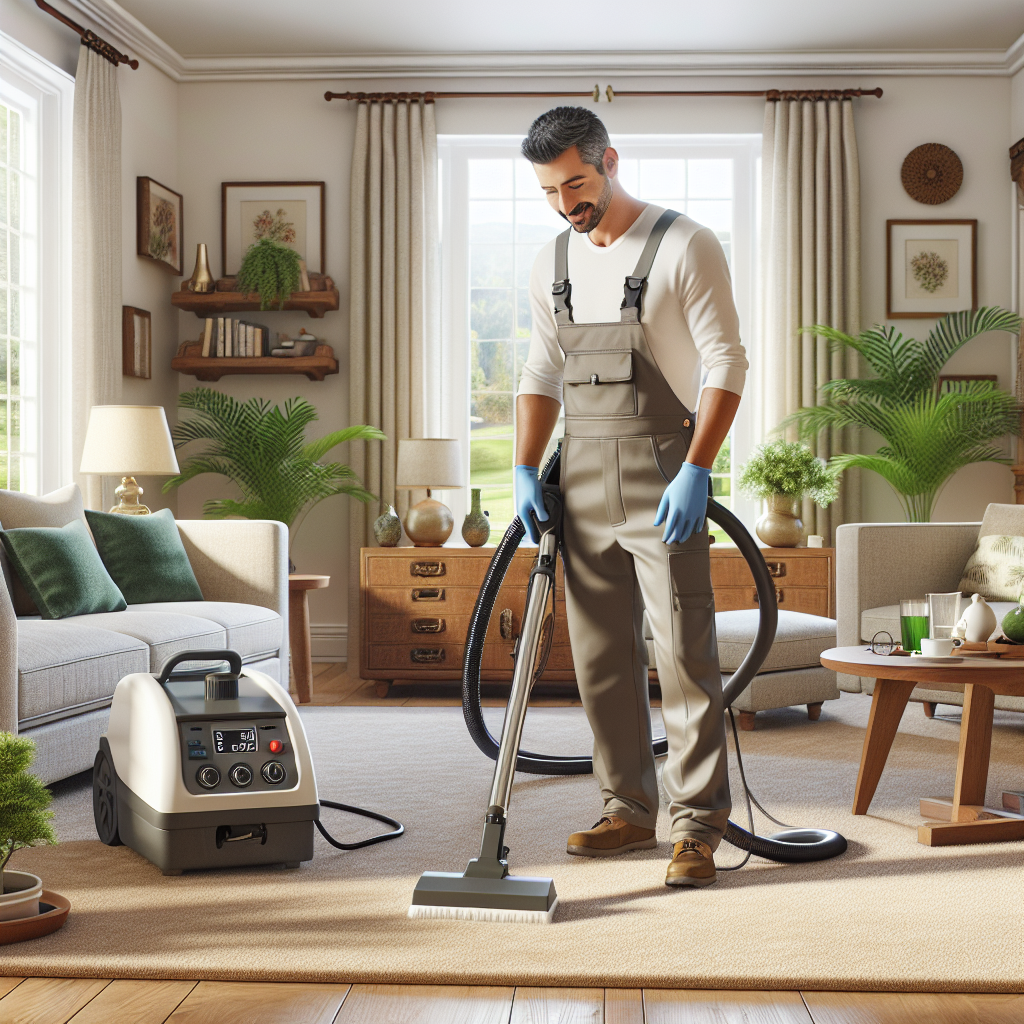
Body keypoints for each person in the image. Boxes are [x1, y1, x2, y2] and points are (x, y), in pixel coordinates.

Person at [515, 107, 747, 887]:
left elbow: (725, 363)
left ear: (609, 160)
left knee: (683, 654)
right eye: (550, 190)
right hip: (576, 476)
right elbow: (540, 374)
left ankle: (698, 827)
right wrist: (522, 467)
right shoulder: (554, 258)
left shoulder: (684, 243)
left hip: (664, 469)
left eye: (576, 182)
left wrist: (699, 468)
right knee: (600, 658)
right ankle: (626, 811)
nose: (566, 203)